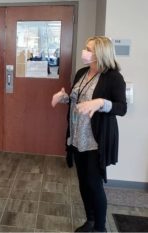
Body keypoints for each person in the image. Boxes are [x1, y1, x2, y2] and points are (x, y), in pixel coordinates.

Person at [51, 36, 127, 232]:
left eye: (89, 49)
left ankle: (100, 228)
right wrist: (64, 98)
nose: (85, 52)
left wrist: (101, 103)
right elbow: (77, 100)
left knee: (94, 185)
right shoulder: (82, 73)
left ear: (100, 53)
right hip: (77, 138)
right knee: (83, 183)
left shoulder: (113, 77)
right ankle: (90, 221)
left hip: (95, 140)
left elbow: (121, 108)